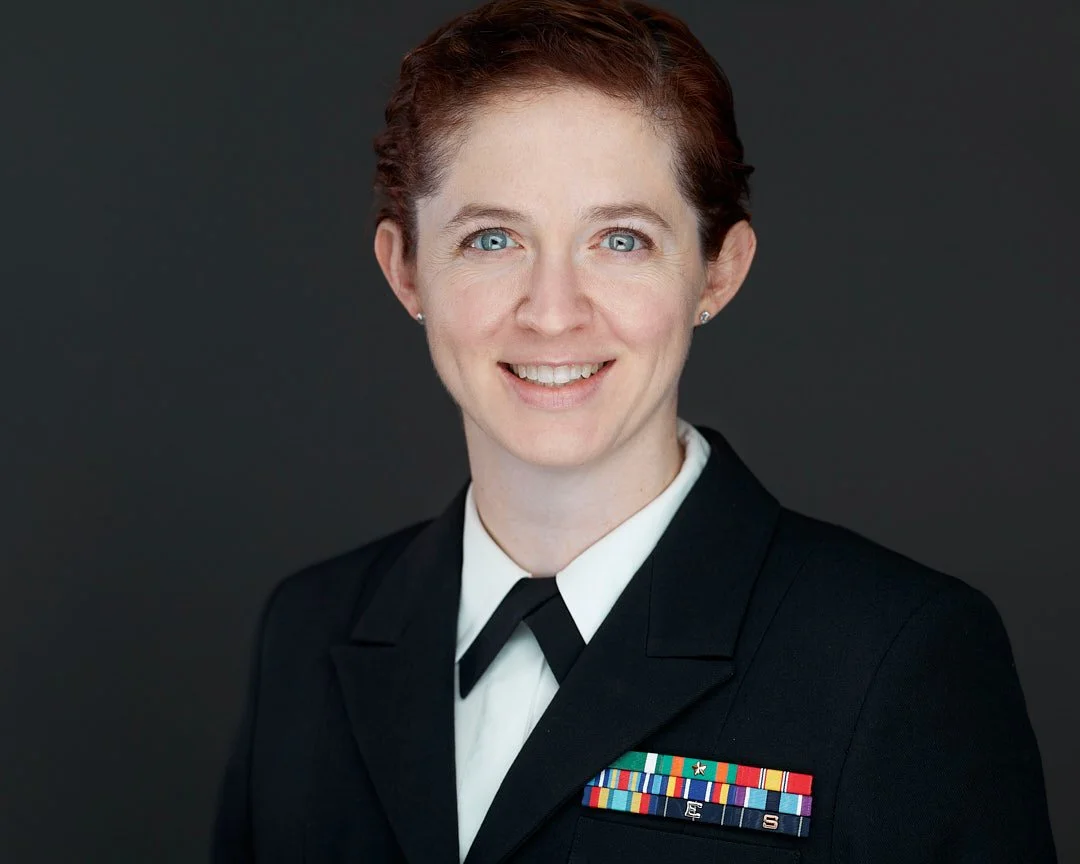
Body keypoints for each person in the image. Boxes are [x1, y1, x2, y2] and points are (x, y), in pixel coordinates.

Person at [211, 1, 1057, 861]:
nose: (552, 313)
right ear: (406, 269)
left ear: (717, 272)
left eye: (620, 240)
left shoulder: (895, 659)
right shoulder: (310, 631)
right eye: (492, 238)